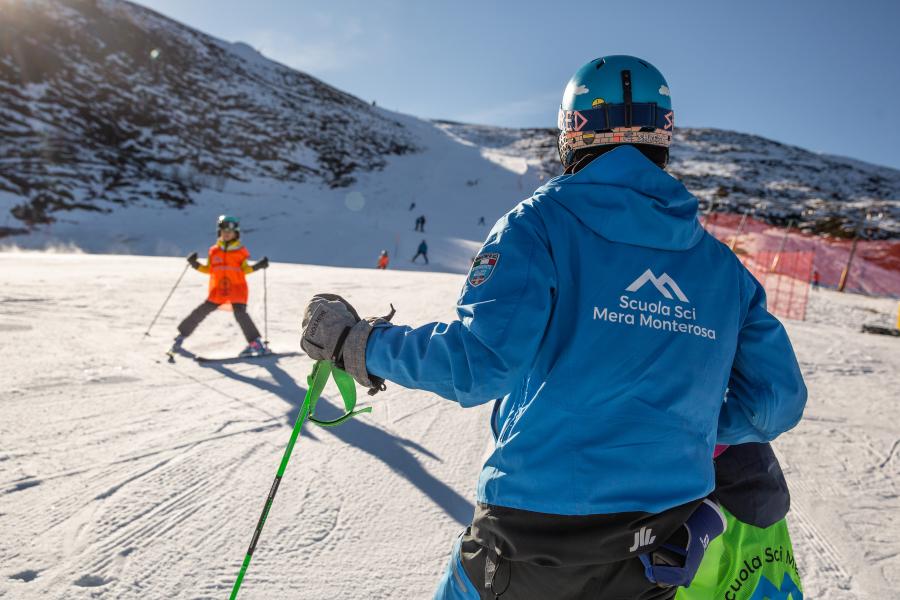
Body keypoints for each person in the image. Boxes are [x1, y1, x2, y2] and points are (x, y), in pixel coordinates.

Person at [300, 55, 807, 599]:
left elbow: (477, 365)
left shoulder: (538, 225)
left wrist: (359, 344)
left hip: (535, 531)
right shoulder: (722, 269)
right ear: (664, 133)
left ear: (573, 131)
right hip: (657, 545)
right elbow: (774, 402)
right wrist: (685, 423)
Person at [171, 215, 270, 357]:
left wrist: (258, 266)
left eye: (230, 231)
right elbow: (209, 269)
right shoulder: (214, 251)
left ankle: (256, 344)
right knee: (200, 312)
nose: (227, 234)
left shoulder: (240, 252)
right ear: (220, 232)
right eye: (224, 231)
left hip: (237, 290)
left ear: (236, 233)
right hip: (218, 291)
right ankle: (180, 336)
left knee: (241, 315)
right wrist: (195, 264)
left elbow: (244, 270)